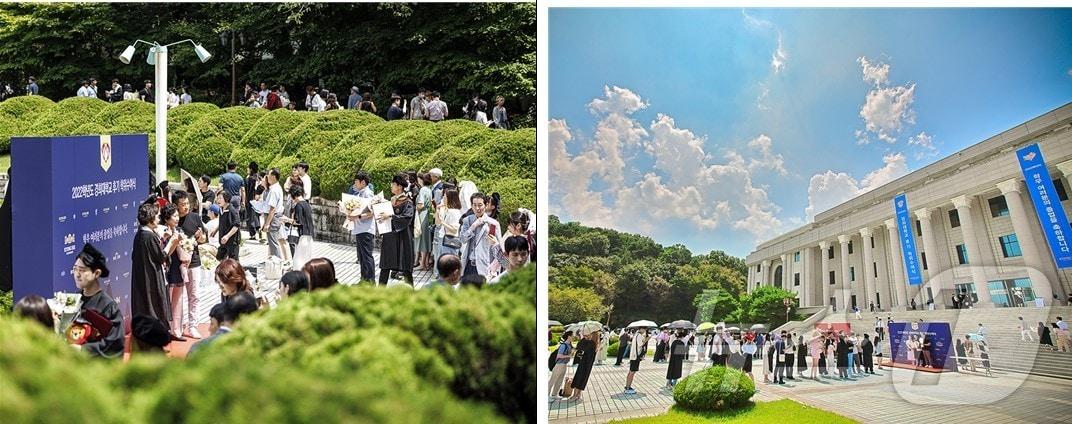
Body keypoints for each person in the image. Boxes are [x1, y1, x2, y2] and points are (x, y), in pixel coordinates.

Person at [132, 202, 176, 336]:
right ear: (150, 218)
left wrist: (163, 238)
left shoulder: (141, 234)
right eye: (156, 216)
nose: (158, 219)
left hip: (143, 280)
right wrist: (172, 242)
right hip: (152, 279)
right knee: (155, 309)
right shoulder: (149, 236)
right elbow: (161, 256)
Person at [171, 191, 207, 339]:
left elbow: (204, 239)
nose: (186, 207)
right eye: (183, 204)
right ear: (175, 206)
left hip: (194, 263)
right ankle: (176, 327)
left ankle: (192, 325)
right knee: (177, 298)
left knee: (194, 295)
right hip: (176, 265)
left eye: (187, 203)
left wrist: (201, 237)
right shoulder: (172, 220)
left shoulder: (195, 218)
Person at [376, 173, 416, 286]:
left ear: (399, 186)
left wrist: (390, 216)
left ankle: (411, 292)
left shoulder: (407, 202)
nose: (391, 186)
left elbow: (407, 218)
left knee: (405, 267)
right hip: (389, 236)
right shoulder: (392, 200)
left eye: (393, 184)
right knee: (385, 265)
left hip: (402, 238)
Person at [459, 193, 503, 279]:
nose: (477, 208)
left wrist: (495, 270)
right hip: (468, 264)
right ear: (471, 206)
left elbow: (498, 248)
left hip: (484, 267)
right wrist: (473, 227)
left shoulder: (493, 223)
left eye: (480, 205)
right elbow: (462, 239)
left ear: (486, 205)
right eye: (474, 205)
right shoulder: (467, 220)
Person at [347, 171, 376, 282]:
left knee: (367, 256)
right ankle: (364, 279)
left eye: (356, 182)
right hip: (360, 228)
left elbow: (371, 213)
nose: (354, 184)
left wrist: (357, 217)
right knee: (362, 257)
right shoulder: (360, 193)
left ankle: (370, 281)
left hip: (366, 229)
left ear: (363, 182)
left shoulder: (368, 194)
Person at [262, 168, 289, 261]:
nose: (267, 178)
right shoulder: (276, 187)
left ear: (273, 177)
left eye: (268, 176)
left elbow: (272, 209)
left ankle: (277, 264)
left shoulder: (274, 190)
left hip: (273, 218)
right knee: (273, 242)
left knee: (273, 243)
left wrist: (267, 224)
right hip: (275, 216)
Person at [285, 186, 314, 270]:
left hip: (302, 235)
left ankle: (298, 277)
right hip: (309, 234)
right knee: (307, 258)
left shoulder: (299, 205)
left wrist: (286, 220)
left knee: (298, 259)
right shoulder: (306, 204)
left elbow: (298, 222)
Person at [568, 331, 598, 402]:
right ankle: (578, 395)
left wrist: (584, 338)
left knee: (579, 378)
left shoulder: (591, 343)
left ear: (592, 335)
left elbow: (579, 347)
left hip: (584, 364)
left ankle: (574, 396)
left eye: (590, 334)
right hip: (588, 365)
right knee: (583, 379)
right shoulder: (595, 344)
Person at [414, 173, 434, 271]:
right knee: (426, 239)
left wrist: (415, 208)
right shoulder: (429, 190)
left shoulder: (422, 190)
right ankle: (425, 263)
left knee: (421, 239)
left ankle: (422, 264)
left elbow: (420, 205)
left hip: (421, 214)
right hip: (427, 215)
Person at [214, 191, 241, 260]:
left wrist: (227, 236)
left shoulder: (232, 210)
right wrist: (215, 231)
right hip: (223, 240)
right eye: (217, 198)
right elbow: (222, 223)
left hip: (232, 241)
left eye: (220, 198)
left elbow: (236, 226)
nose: (218, 200)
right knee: (219, 258)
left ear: (226, 199)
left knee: (233, 261)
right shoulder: (221, 209)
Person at [549, 331, 574, 400]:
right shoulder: (564, 345)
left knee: (559, 381)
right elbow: (559, 355)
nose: (573, 337)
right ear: (569, 336)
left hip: (564, 365)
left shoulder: (569, 345)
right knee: (552, 381)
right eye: (572, 335)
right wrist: (568, 355)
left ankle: (554, 395)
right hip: (559, 365)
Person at [624, 329, 648, 394]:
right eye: (644, 329)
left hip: (633, 356)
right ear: (641, 329)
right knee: (632, 372)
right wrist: (647, 339)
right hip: (635, 357)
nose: (645, 330)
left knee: (631, 372)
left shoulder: (636, 335)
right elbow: (641, 344)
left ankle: (628, 386)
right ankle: (628, 388)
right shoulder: (639, 335)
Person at [242, 162, 262, 242]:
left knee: (250, 217)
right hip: (258, 200)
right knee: (256, 216)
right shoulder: (259, 178)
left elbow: (247, 190)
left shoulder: (249, 178)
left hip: (250, 200)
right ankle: (259, 229)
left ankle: (253, 233)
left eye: (248, 168)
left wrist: (245, 200)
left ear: (250, 169)